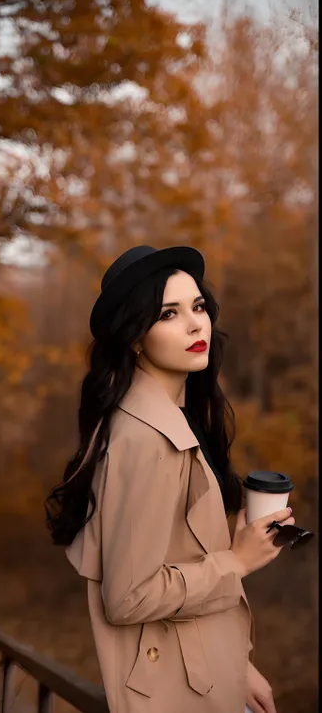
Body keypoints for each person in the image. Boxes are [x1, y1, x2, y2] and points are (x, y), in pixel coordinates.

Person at [45, 246, 295, 713]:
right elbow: (128, 597)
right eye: (169, 314)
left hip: (207, 676)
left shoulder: (169, 419)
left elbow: (178, 559)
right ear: (135, 338)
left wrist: (236, 666)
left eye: (198, 307)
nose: (196, 324)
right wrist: (237, 562)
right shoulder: (146, 440)